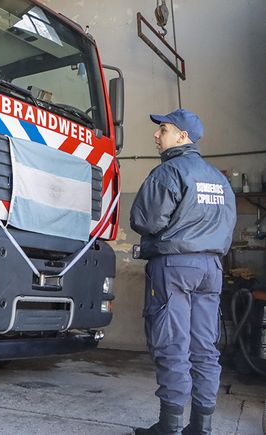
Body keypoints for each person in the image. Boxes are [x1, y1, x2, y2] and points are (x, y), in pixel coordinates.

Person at [130, 109, 236, 435]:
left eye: (163, 129)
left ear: (182, 137)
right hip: (211, 268)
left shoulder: (169, 172)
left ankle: (169, 427)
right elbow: (227, 225)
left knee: (172, 344)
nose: (156, 135)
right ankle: (200, 426)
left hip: (175, 266)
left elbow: (145, 221)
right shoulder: (219, 179)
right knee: (204, 348)